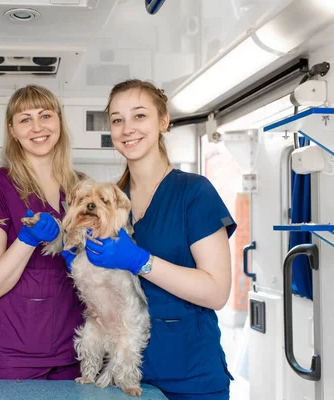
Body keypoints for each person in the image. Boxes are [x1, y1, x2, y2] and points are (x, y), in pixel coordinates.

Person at [69, 79, 236, 400]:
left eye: (139, 116)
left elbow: (217, 292)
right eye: (117, 120)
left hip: (190, 373)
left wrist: (141, 261)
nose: (127, 128)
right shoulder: (108, 202)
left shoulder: (194, 192)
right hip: (122, 375)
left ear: (163, 121)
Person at [0, 84, 84, 380]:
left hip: (75, 350)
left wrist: (75, 250)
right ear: (12, 130)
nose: (38, 127)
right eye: (25, 119)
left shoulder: (82, 188)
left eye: (46, 115)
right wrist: (27, 239)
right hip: (12, 354)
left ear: (59, 121)